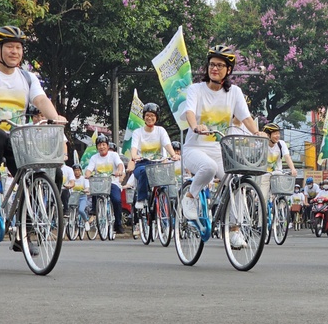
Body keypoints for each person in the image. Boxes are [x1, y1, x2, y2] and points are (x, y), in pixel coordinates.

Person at [0, 25, 67, 253]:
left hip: (17, 140)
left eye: (18, 47)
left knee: (51, 172)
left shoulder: (28, 78)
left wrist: (55, 117)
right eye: (9, 47)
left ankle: (26, 230)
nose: (15, 51)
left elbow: (41, 100)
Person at [180, 44, 263, 249]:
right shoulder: (196, 89)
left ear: (228, 70)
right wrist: (195, 126)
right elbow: (190, 111)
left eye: (219, 65)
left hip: (219, 150)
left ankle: (234, 230)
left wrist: (257, 133)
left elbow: (245, 117)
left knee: (234, 182)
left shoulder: (234, 92)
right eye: (211, 65)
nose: (214, 69)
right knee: (207, 168)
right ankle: (190, 196)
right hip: (194, 148)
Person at [130, 102, 180, 232]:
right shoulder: (137, 132)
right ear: (144, 117)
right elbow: (134, 147)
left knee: (165, 187)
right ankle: (141, 199)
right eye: (147, 115)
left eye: (152, 115)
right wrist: (135, 155)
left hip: (158, 163)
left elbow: (167, 144)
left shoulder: (161, 130)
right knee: (143, 172)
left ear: (157, 117)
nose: (149, 118)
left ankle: (165, 215)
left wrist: (173, 155)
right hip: (142, 163)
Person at [84, 134, 126, 234]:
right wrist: (88, 174)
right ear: (97, 147)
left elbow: (120, 164)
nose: (101, 147)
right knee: (94, 189)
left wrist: (119, 171)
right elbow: (89, 169)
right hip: (99, 184)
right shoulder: (94, 158)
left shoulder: (114, 155)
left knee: (117, 200)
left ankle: (118, 223)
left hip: (112, 182)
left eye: (103, 144)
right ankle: (95, 210)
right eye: (99, 145)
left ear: (107, 146)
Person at [70, 164, 91, 231]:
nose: (77, 172)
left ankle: (86, 221)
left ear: (81, 171)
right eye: (75, 170)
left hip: (82, 197)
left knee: (81, 210)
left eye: (78, 170)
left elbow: (87, 188)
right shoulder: (71, 179)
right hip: (73, 197)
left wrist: (85, 190)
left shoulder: (84, 179)